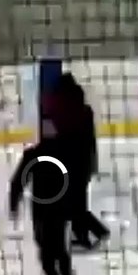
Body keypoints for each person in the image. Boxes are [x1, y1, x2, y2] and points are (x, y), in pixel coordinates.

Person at [9, 118, 75, 275]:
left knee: (46, 247)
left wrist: (14, 204)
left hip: (42, 209)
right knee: (60, 247)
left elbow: (18, 181)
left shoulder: (33, 154)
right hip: (58, 207)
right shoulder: (64, 153)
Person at [47, 73, 109, 250]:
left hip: (72, 164)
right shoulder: (85, 112)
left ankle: (99, 231)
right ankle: (82, 236)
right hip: (84, 163)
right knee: (78, 202)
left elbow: (63, 136)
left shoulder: (68, 114)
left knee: (73, 205)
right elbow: (90, 141)